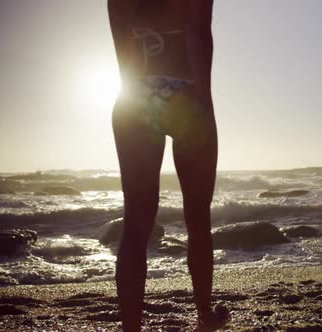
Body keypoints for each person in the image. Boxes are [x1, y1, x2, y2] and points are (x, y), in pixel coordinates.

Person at [108, 1, 225, 330]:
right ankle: (204, 317)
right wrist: (204, 102)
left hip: (134, 97)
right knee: (198, 216)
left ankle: (131, 327)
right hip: (186, 93)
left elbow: (123, 48)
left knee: (136, 221)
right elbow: (199, 31)